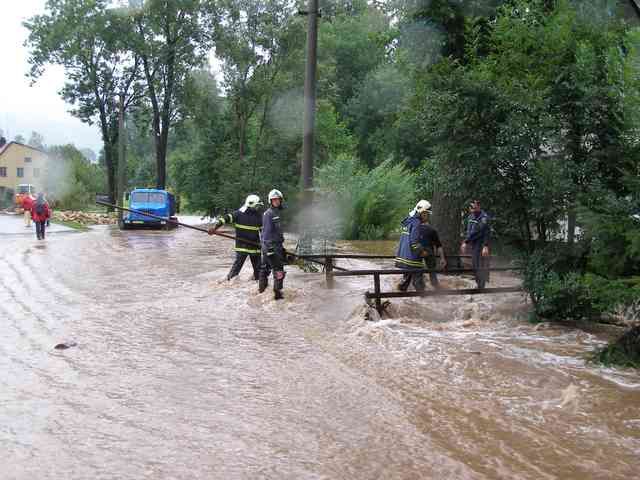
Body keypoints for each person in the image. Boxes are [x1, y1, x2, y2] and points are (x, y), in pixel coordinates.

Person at [208, 194, 264, 281]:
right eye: (257, 206)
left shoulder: (259, 217)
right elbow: (224, 219)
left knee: (259, 274)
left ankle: (258, 283)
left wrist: (265, 243)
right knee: (236, 270)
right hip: (243, 246)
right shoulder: (238, 214)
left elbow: (263, 232)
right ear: (251, 204)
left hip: (255, 246)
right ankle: (229, 281)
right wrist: (215, 228)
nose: (258, 208)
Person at [395, 200, 435, 292]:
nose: (428, 217)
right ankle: (424, 301)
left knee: (405, 282)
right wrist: (423, 252)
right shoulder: (416, 223)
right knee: (419, 283)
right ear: (423, 213)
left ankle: (401, 296)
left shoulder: (409, 220)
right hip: (412, 259)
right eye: (428, 215)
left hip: (403, 257)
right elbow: (414, 243)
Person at [258, 189, 286, 300]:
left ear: (280, 200)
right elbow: (267, 232)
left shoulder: (274, 213)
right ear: (270, 201)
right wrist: (270, 248)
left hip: (272, 246)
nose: (276, 201)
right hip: (271, 246)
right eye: (274, 200)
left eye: (277, 199)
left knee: (264, 268)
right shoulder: (270, 214)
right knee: (278, 270)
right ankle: (278, 296)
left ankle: (261, 292)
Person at [460, 199, 491, 289]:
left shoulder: (484, 217)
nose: (472, 208)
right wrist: (467, 241)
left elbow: (479, 232)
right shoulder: (470, 217)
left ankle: (481, 286)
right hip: (474, 244)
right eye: (471, 207)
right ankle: (479, 284)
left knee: (481, 264)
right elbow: (469, 231)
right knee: (475, 264)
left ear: (478, 206)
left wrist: (485, 246)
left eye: (474, 206)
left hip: (482, 245)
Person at [419, 210, 448, 289]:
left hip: (425, 251)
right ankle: (429, 287)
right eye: (424, 214)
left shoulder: (431, 230)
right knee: (418, 272)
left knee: (428, 272)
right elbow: (439, 245)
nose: (425, 216)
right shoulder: (416, 228)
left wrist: (442, 258)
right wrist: (442, 258)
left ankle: (432, 287)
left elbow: (438, 245)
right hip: (421, 251)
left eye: (426, 214)